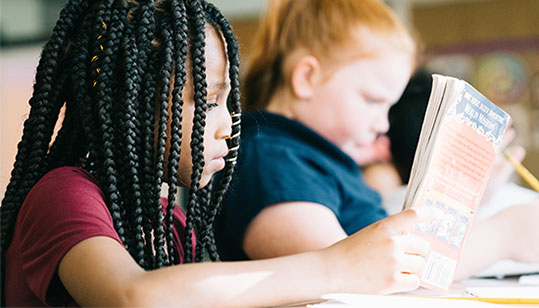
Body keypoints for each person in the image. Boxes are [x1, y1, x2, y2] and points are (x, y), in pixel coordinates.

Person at [0, 0, 440, 306]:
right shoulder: (61, 196)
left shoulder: (167, 222)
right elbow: (134, 296)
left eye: (229, 102)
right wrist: (334, 267)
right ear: (131, 100)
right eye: (208, 102)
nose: (229, 124)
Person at [214, 0, 539, 282]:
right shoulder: (270, 156)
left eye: (389, 106)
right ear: (307, 78)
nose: (383, 124)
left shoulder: (314, 158)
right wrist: (503, 235)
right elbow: (352, 271)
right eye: (372, 100)